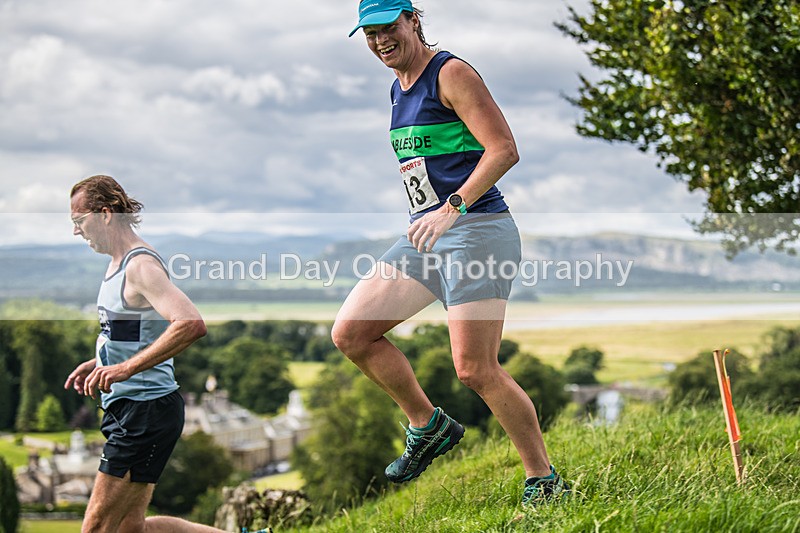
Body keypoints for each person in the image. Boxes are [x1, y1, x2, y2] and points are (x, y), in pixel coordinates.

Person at [333, 0, 568, 506]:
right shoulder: (397, 88)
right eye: (369, 34)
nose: (379, 42)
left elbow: (503, 147)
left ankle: (543, 479)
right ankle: (428, 423)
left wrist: (454, 207)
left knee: (475, 368)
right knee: (352, 333)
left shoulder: (452, 72)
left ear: (412, 19)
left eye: (387, 28)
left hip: (477, 229)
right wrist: (435, 217)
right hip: (427, 234)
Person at [64, 175, 266, 533]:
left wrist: (125, 368)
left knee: (95, 528)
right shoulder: (117, 265)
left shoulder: (140, 266)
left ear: (106, 214)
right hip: (134, 409)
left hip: (144, 412)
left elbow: (190, 323)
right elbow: (136, 331)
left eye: (79, 221)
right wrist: (103, 361)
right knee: (132, 528)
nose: (77, 231)